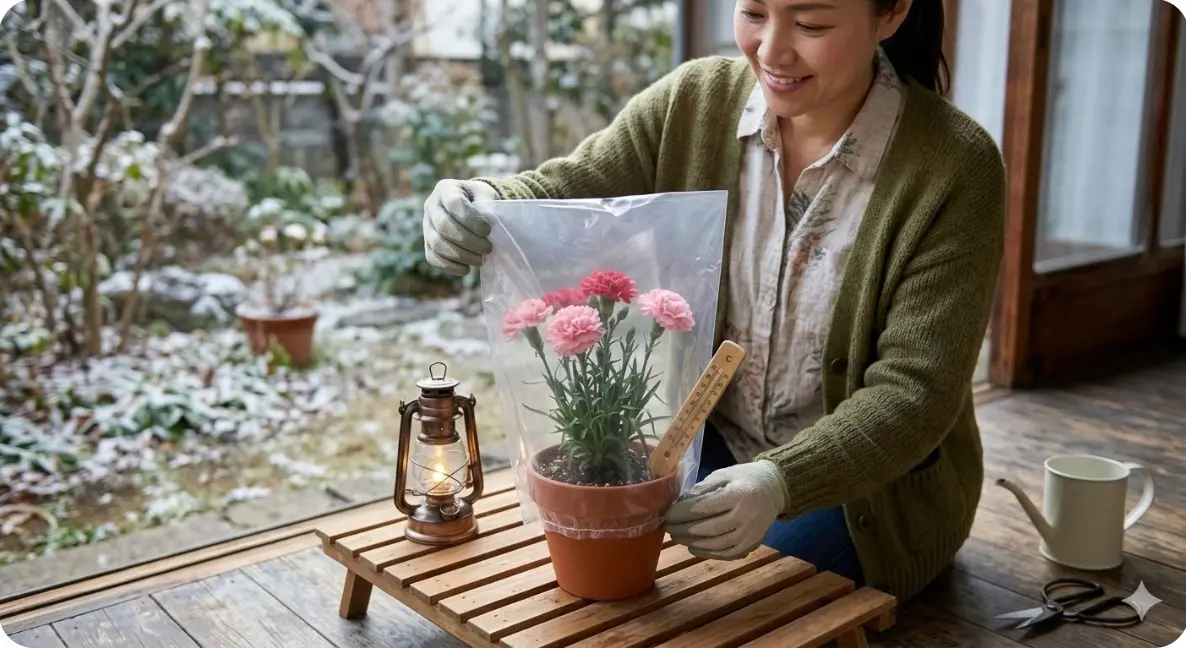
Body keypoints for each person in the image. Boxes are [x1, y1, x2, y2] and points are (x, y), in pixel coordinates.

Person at [421, 0, 1004, 603]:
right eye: (753, 12)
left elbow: (916, 393)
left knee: (723, 603)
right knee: (597, 564)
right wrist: (483, 200)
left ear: (890, 15)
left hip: (866, 493)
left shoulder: (955, 167)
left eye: (811, 25)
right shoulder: (694, 104)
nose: (772, 52)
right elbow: (573, 184)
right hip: (711, 443)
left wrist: (779, 482)